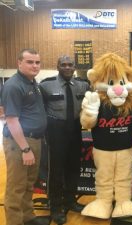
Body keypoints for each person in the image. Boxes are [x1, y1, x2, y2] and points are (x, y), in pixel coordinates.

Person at [39, 56, 89, 224]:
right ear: (58, 66)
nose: (67, 67)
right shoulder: (46, 85)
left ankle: (70, 201)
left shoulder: (83, 85)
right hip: (55, 131)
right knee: (56, 171)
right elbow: (39, 109)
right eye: (64, 65)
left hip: (75, 130)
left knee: (74, 168)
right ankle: (55, 207)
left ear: (75, 67)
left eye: (70, 65)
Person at [2, 48, 48, 225]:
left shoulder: (32, 83)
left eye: (37, 62)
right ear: (19, 63)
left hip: (34, 139)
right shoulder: (14, 85)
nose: (35, 65)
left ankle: (28, 218)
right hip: (19, 142)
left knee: (29, 184)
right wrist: (25, 148)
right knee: (16, 188)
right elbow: (12, 120)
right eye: (30, 62)